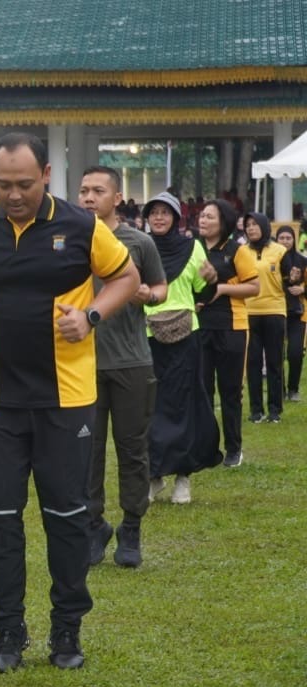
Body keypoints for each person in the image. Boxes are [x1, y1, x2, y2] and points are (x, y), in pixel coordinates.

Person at [0, 133, 139, 672]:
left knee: (68, 517)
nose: (15, 194)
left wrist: (90, 316)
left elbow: (125, 276)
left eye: (24, 184)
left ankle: (67, 630)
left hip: (66, 400)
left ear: (46, 174)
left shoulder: (79, 225)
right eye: (3, 185)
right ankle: (8, 629)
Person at [77, 167, 168, 568]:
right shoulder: (69, 241)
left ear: (117, 198)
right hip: (81, 363)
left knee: (132, 448)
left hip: (131, 360)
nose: (88, 197)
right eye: (83, 191)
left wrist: (146, 294)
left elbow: (160, 288)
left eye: (98, 190)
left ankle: (131, 527)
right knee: (86, 451)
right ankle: (93, 524)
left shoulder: (138, 241)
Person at [140, 192, 222, 508]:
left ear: (176, 217)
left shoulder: (192, 247)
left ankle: (183, 477)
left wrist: (212, 280)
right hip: (145, 337)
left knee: (184, 406)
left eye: (165, 212)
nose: (159, 218)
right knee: (149, 407)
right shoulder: (139, 246)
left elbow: (204, 289)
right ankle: (154, 475)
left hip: (186, 339)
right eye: (154, 213)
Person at [195, 199, 258, 468]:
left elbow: (254, 287)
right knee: (202, 390)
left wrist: (221, 289)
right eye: (201, 216)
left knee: (230, 391)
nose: (202, 220)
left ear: (224, 222)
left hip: (232, 327)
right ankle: (208, 449)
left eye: (209, 216)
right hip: (200, 327)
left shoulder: (237, 251)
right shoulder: (194, 249)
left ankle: (234, 449)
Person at [241, 211, 290, 423]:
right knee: (252, 362)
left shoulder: (280, 251)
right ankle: (255, 410)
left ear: (264, 226)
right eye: (247, 225)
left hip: (274, 311)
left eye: (255, 224)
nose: (251, 228)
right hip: (249, 312)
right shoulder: (241, 251)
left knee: (274, 362)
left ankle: (275, 410)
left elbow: (289, 281)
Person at [278, 225, 307, 402]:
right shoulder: (271, 259)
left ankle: (293, 389)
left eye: (288, 238)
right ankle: (278, 389)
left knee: (295, 353)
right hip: (275, 311)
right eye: (281, 238)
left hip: (296, 312)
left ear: (294, 240)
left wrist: (302, 288)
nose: (285, 241)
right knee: (276, 354)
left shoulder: (302, 260)